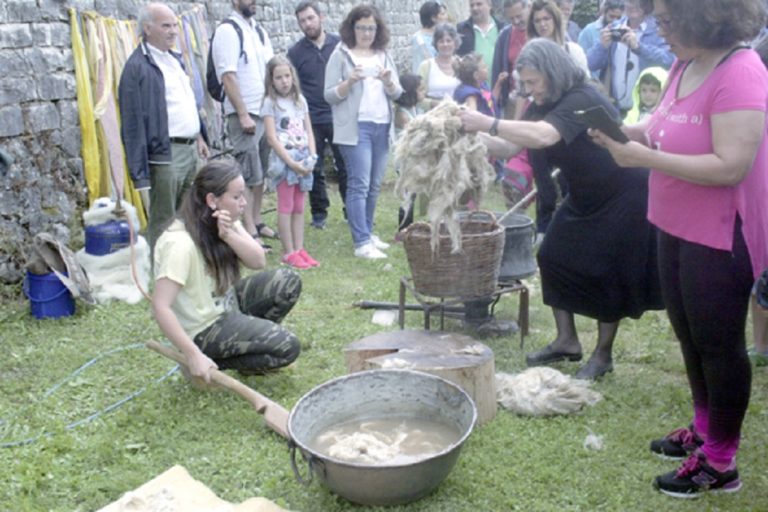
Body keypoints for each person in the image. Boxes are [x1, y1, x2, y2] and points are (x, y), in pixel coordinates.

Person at [591, 0, 767, 497]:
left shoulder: (743, 70)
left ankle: (720, 462)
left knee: (719, 345)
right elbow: (660, 127)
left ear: (703, 16)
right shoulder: (684, 63)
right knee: (690, 337)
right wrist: (620, 134)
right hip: (673, 222)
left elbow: (731, 164)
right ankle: (704, 428)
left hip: (719, 231)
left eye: (667, 21)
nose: (657, 29)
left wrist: (643, 157)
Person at [459, 38, 664, 379]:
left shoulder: (581, 96)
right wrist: (466, 135)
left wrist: (485, 122)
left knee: (607, 272)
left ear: (552, 73)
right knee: (551, 254)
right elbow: (510, 145)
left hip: (624, 192)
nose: (528, 90)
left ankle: (602, 356)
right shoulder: (543, 101)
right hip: (584, 194)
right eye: (524, 83)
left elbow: (543, 136)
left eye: (532, 82)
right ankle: (567, 341)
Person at [152, 159, 301, 384]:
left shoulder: (225, 220)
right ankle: (205, 360)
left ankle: (248, 345)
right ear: (212, 200)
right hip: (204, 329)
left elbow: (258, 261)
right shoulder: (179, 244)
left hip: (226, 307)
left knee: (287, 281)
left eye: (243, 195)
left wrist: (229, 234)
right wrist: (193, 354)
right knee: (287, 346)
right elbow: (160, 306)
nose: (243, 203)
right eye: (237, 196)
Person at [118, 2, 209, 253]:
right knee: (164, 219)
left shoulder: (174, 59)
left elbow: (186, 103)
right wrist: (140, 172)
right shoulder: (136, 68)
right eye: (166, 25)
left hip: (190, 149)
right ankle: (160, 275)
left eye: (175, 25)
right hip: (165, 154)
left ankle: (185, 267)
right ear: (147, 28)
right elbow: (132, 123)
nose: (173, 31)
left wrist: (200, 136)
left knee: (189, 213)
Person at [324, 4, 403, 259]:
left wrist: (388, 80)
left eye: (371, 28)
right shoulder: (341, 54)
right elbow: (329, 95)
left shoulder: (383, 54)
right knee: (359, 183)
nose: (367, 33)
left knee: (375, 185)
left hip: (382, 125)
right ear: (352, 28)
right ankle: (360, 243)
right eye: (362, 28)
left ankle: (368, 233)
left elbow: (398, 92)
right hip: (356, 128)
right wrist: (351, 81)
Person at [211, 0, 276, 245]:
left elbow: (270, 71)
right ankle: (249, 229)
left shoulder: (258, 30)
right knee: (248, 175)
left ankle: (257, 219)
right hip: (245, 114)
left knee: (261, 174)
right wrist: (242, 113)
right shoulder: (227, 31)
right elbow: (228, 75)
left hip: (264, 111)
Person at [288, 0, 347, 230]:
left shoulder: (340, 45)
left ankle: (350, 210)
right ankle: (319, 213)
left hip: (339, 115)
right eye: (302, 21)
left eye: (310, 18)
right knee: (314, 166)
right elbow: (293, 86)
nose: (307, 24)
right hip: (311, 119)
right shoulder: (295, 52)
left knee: (346, 166)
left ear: (321, 17)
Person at [262, 56, 319, 270]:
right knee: (285, 206)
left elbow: (308, 130)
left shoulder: (300, 101)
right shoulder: (270, 103)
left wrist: (312, 156)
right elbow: (271, 137)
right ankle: (288, 251)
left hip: (303, 157)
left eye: (287, 76)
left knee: (299, 206)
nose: (284, 81)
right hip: (285, 162)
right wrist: (290, 163)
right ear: (271, 81)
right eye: (279, 77)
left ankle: (299, 247)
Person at [587, 0, 673, 117]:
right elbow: (591, 64)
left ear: (649, 5)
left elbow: (669, 61)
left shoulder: (658, 29)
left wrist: (639, 47)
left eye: (640, 2)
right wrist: (602, 46)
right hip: (616, 108)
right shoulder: (614, 27)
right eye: (630, 1)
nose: (634, 6)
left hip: (647, 110)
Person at [394, 73, 426, 232]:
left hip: (415, 158)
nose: (424, 93)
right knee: (408, 194)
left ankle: (409, 225)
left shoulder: (415, 109)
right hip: (406, 159)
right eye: (420, 89)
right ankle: (404, 227)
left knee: (413, 192)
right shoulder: (402, 114)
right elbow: (411, 134)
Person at [492, 0, 530, 118]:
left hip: (538, 99)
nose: (516, 22)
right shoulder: (505, 35)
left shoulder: (542, 29)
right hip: (513, 99)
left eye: (519, 16)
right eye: (511, 18)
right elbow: (497, 70)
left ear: (529, 7)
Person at [418, 23, 462, 110]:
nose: (445, 44)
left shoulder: (462, 65)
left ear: (455, 43)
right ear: (436, 44)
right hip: (434, 118)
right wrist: (436, 104)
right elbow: (417, 98)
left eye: (449, 41)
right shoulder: (426, 66)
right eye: (441, 41)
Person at [578, 0, 626, 77]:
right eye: (611, 16)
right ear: (603, 13)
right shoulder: (589, 31)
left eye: (618, 18)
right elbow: (581, 61)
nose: (615, 21)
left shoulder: (623, 31)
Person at [456, 0, 506, 71]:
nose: (475, 8)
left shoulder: (502, 28)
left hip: (500, 79)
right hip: (472, 80)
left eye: (479, 4)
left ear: (490, 5)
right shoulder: (462, 29)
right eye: (472, 5)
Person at [411, 1, 449, 73]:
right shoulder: (419, 39)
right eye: (443, 14)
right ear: (433, 18)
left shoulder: (442, 35)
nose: (446, 17)